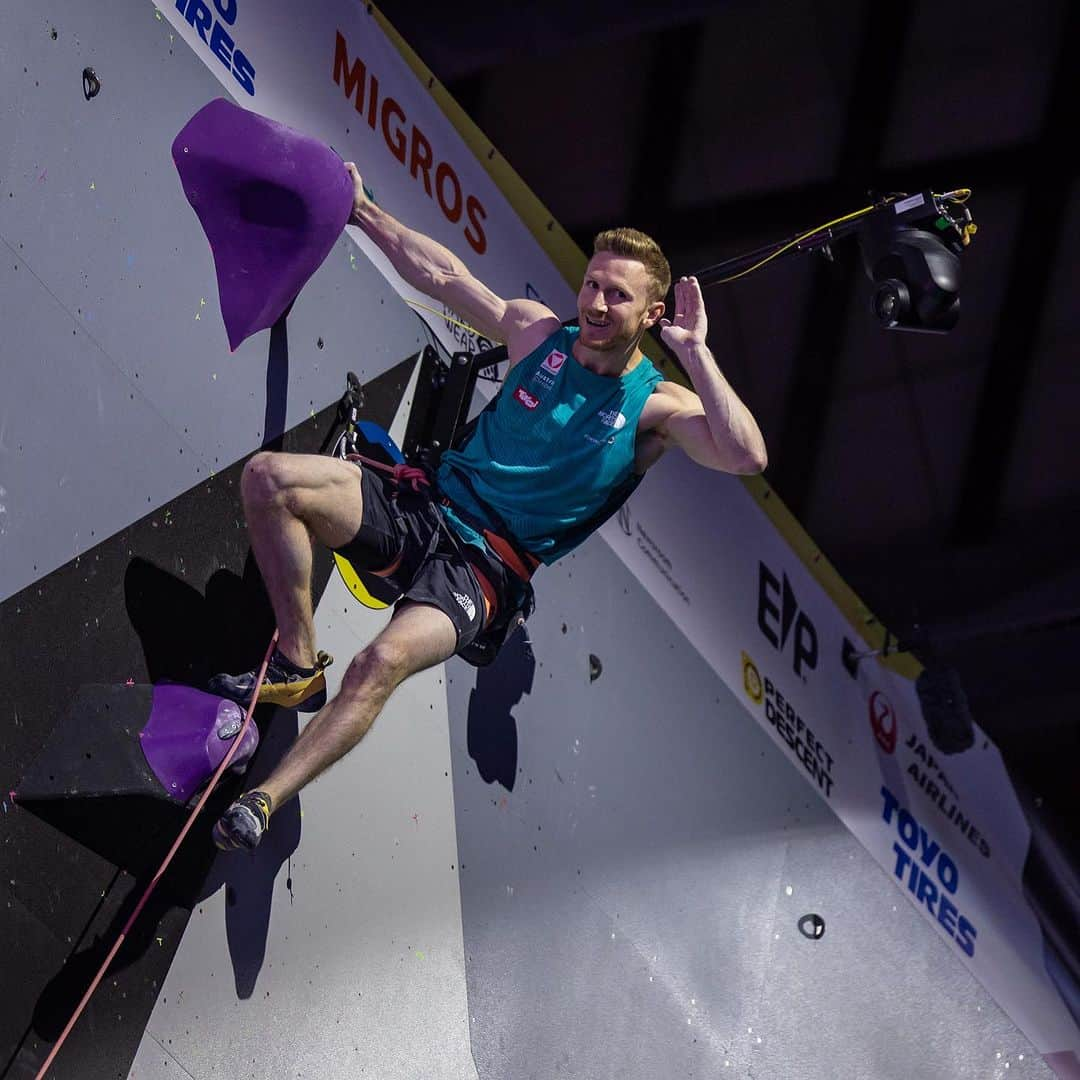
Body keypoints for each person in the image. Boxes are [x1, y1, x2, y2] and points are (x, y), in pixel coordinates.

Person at [210, 161, 768, 851]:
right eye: (592, 283)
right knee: (270, 480)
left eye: (617, 296)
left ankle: (263, 802)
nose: (595, 302)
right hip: (427, 509)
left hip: (483, 573)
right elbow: (446, 278)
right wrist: (363, 212)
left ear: (651, 314)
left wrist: (696, 354)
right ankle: (296, 665)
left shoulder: (657, 407)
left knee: (378, 665)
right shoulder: (540, 336)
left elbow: (746, 455)